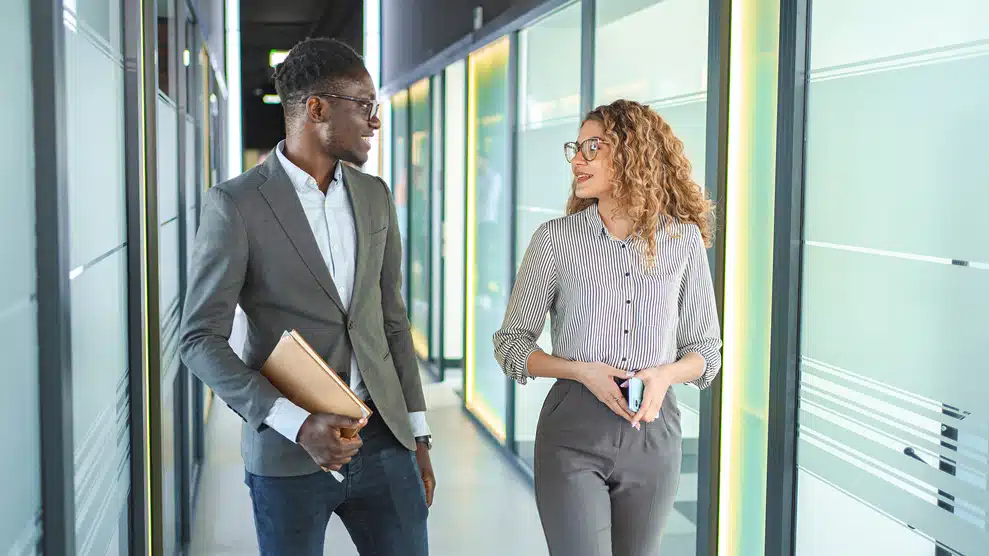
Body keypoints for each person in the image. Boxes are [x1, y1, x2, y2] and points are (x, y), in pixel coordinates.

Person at [180, 37, 434, 556]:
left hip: (385, 441)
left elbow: (390, 320)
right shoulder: (236, 204)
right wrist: (296, 424)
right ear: (315, 108)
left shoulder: (375, 196)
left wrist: (418, 436)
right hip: (288, 451)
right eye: (363, 106)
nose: (375, 122)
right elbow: (199, 339)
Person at [493, 99, 722, 556]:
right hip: (572, 433)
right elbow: (511, 345)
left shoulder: (683, 241)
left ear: (631, 152)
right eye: (575, 149)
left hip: (654, 432)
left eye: (591, 147)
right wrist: (580, 370)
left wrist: (663, 375)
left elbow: (706, 352)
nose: (577, 160)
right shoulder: (555, 240)